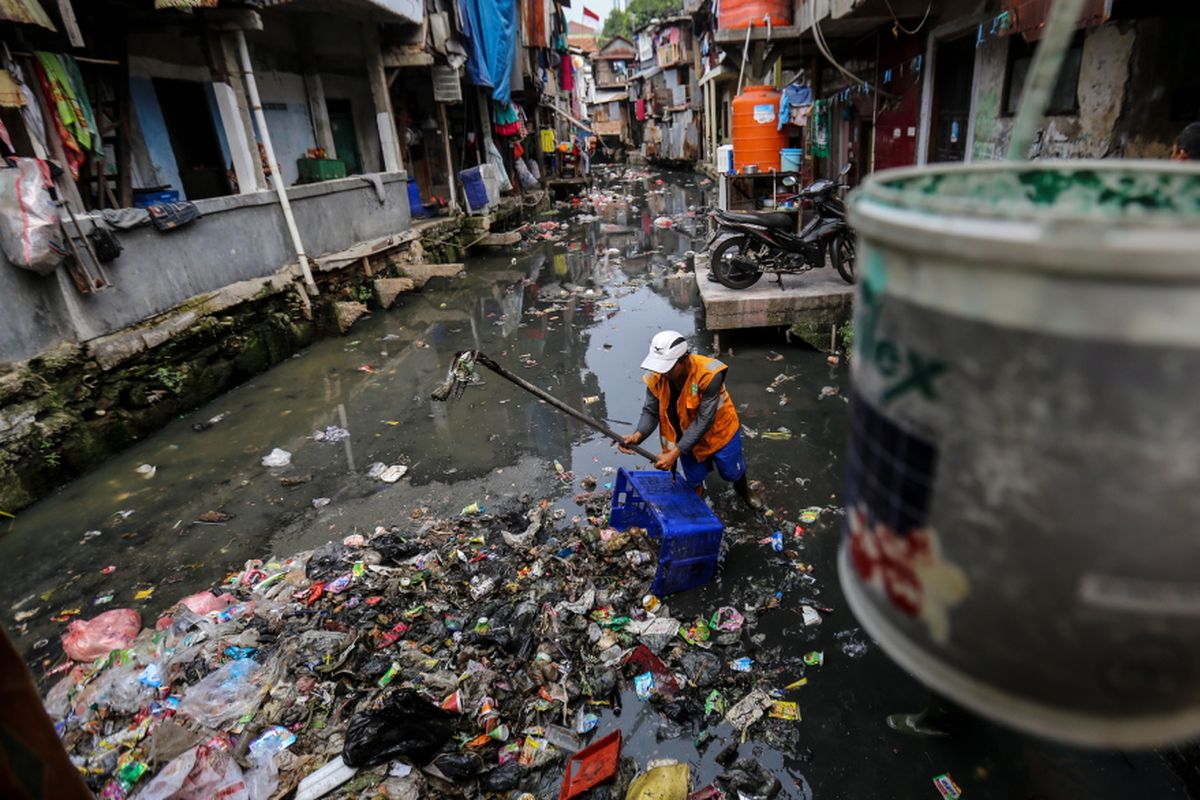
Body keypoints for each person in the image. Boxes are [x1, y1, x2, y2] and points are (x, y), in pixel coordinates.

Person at [621, 330, 763, 510]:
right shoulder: (656, 378)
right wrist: (637, 436)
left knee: (731, 471)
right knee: (694, 477)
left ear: (684, 359)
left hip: (720, 432)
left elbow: (705, 419)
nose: (662, 373)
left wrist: (674, 454)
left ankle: (743, 489)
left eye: (668, 368)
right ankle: (697, 506)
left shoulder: (709, 374)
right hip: (685, 438)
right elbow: (650, 412)